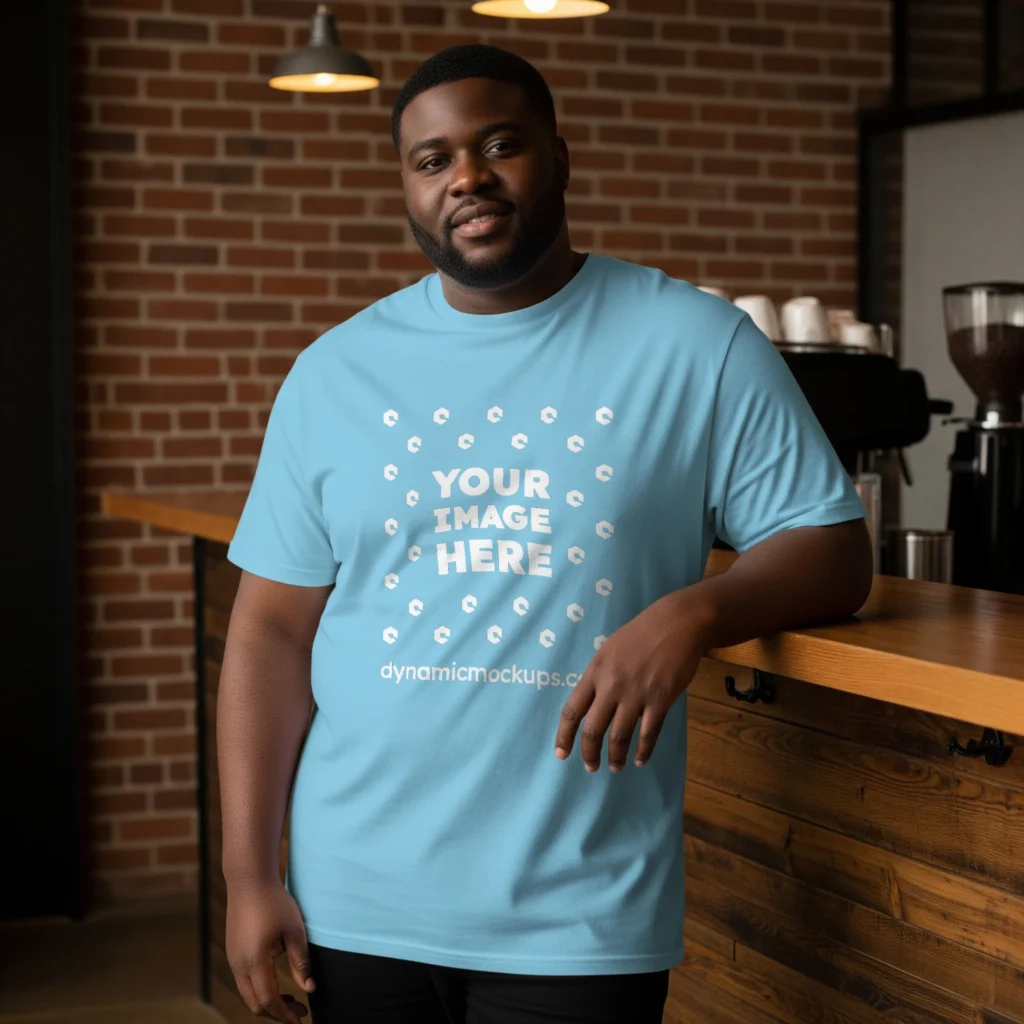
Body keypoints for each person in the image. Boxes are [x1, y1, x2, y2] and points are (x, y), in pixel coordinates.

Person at [218, 43, 873, 1024]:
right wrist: (246, 875)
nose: (467, 177)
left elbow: (832, 547)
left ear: (558, 158)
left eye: (498, 144)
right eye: (431, 159)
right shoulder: (333, 372)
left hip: (579, 907)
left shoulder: (692, 343)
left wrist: (692, 612)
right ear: (406, 186)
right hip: (355, 895)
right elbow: (271, 631)